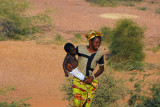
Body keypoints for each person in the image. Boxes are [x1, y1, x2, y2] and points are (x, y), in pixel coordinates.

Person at [66, 30, 104, 107]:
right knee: (77, 104)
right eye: (96, 42)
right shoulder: (79, 48)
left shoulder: (100, 54)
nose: (98, 44)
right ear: (90, 42)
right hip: (77, 80)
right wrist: (68, 64)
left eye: (99, 43)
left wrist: (92, 77)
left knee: (86, 105)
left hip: (89, 82)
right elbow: (70, 56)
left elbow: (101, 69)